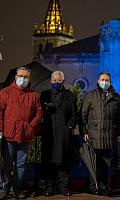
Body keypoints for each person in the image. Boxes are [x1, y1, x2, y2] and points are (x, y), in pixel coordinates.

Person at [0, 67, 42, 199]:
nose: (22, 78)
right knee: (7, 163)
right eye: (20, 76)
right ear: (15, 76)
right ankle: (4, 188)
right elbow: (0, 113)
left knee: (21, 164)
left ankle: (16, 188)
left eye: (25, 77)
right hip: (9, 134)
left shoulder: (33, 94)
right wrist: (0, 130)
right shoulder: (5, 92)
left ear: (29, 79)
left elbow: (39, 112)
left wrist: (31, 126)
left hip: (25, 134)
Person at [81, 72, 120, 195]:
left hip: (109, 136)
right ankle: (93, 186)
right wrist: (84, 132)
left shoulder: (115, 96)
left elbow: (119, 118)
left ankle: (103, 186)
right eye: (102, 79)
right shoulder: (90, 95)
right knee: (93, 163)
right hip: (94, 135)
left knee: (106, 164)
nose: (105, 82)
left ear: (110, 81)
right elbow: (83, 115)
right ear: (98, 81)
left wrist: (119, 133)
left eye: (107, 79)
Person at [40, 71, 77, 197]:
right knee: (49, 160)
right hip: (48, 132)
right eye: (54, 80)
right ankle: (49, 187)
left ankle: (63, 187)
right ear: (51, 81)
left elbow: (74, 114)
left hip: (63, 133)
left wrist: (70, 126)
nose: (56, 82)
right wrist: (46, 111)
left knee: (63, 160)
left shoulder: (70, 95)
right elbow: (39, 113)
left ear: (63, 81)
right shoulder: (44, 95)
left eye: (59, 80)